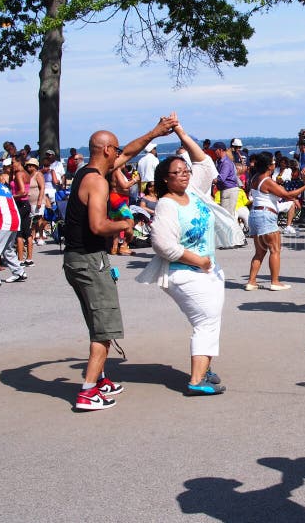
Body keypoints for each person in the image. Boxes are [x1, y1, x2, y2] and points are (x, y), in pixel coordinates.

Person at [63, 116, 177, 410]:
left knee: (97, 321)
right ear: (105, 150)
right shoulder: (97, 182)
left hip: (78, 260)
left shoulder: (87, 172)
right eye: (115, 149)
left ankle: (99, 380)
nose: (119, 154)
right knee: (105, 326)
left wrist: (155, 132)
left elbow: (129, 153)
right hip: (89, 261)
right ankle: (88, 392)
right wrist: (127, 222)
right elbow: (99, 225)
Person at [141, 118, 227, 396]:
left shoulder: (193, 191)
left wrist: (180, 132)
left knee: (210, 320)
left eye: (185, 170)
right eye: (177, 172)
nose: (184, 175)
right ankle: (196, 380)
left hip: (207, 271)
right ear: (165, 178)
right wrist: (198, 260)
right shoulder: (166, 204)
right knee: (206, 323)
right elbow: (162, 245)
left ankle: (205, 368)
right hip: (185, 272)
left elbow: (206, 165)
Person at [245, 152, 305, 291]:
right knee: (275, 250)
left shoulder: (255, 177)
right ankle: (275, 281)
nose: (275, 164)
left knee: (259, 252)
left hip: (255, 214)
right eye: (273, 162)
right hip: (266, 215)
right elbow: (287, 194)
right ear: (269, 166)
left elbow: (280, 193)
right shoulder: (267, 181)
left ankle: (251, 281)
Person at [212, 141, 241, 218]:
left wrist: (211, 180)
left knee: (226, 217)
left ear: (220, 150)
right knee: (227, 215)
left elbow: (221, 178)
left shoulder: (225, 163)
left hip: (229, 190)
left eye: (215, 150)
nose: (214, 152)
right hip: (227, 190)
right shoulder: (221, 162)